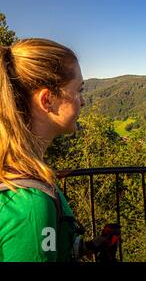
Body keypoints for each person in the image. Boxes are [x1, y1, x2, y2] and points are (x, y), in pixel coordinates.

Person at [0, 38, 119, 262]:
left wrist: (85, 247)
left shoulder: (22, 174)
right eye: (79, 90)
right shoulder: (31, 205)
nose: (83, 101)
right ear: (48, 100)